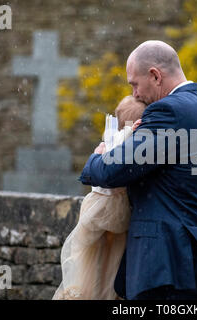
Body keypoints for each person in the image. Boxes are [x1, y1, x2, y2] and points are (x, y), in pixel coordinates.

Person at [79, 40, 197, 300]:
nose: (134, 94)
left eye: (134, 83)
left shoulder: (169, 112)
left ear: (155, 75)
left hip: (165, 271)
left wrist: (96, 158)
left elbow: (112, 171)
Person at [53, 96, 145, 300]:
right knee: (108, 263)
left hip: (97, 208)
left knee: (96, 263)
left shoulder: (109, 139)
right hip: (109, 208)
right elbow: (123, 149)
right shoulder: (124, 139)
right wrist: (136, 128)